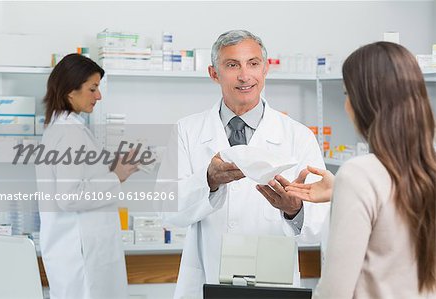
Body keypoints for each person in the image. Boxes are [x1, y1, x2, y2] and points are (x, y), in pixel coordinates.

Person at [161, 30, 329, 299]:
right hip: (208, 275)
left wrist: (294, 210)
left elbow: (316, 227)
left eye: (253, 63)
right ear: (214, 73)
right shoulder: (187, 131)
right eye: (232, 65)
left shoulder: (298, 136)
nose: (244, 75)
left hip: (274, 281)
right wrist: (209, 181)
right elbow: (168, 212)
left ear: (265, 69)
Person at [289, 42, 436, 298]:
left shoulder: (360, 175)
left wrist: (351, 189)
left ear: (366, 102)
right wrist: (343, 193)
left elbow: (336, 291)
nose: (347, 106)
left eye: (347, 94)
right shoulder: (427, 169)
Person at [36, 54, 138, 299]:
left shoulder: (63, 129)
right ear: (71, 91)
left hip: (77, 249)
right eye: (93, 89)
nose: (98, 96)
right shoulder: (69, 133)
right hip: (81, 253)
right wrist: (116, 176)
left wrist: (110, 169)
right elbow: (69, 197)